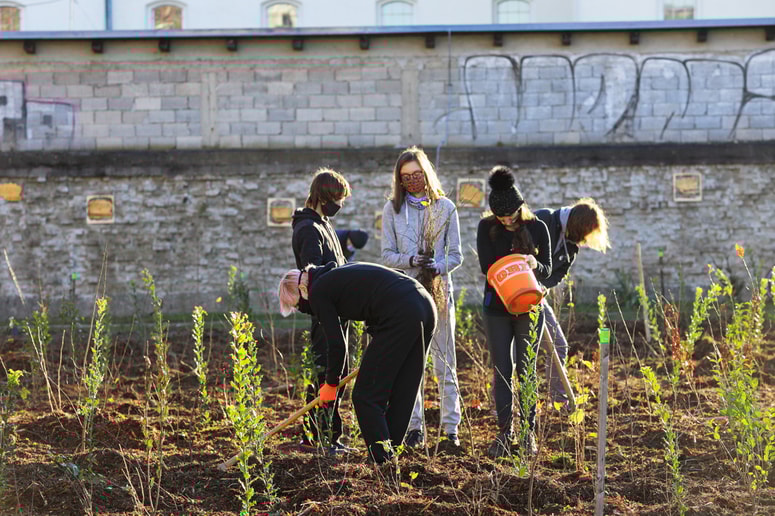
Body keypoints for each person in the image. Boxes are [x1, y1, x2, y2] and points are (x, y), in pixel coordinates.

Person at [277, 262, 437, 464]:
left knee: (365, 396)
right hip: (424, 304)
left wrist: (330, 384)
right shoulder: (339, 273)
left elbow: (337, 345)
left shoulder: (318, 292)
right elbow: (395, 276)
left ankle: (381, 460)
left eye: (298, 306)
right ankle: (389, 461)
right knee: (403, 390)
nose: (303, 310)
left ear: (301, 291)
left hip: (401, 314)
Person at [381, 146, 463, 450]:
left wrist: (437, 266)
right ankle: (414, 428)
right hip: (408, 294)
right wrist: (411, 260)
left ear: (426, 173)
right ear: (399, 181)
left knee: (445, 362)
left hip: (439, 292)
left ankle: (450, 429)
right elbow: (387, 256)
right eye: (406, 177)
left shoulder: (446, 208)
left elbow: (456, 255)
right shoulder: (392, 210)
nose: (413, 180)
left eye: (417, 174)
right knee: (411, 364)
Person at [476, 165, 552, 458]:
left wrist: (534, 264)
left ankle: (528, 433)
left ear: (521, 206)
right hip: (497, 307)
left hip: (530, 307)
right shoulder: (486, 228)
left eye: (512, 214)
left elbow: (548, 269)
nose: (507, 220)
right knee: (502, 370)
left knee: (527, 369)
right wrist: (512, 263)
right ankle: (505, 433)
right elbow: (487, 267)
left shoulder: (538, 227)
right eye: (501, 216)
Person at [291, 167, 351, 453]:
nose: (340, 204)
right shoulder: (308, 229)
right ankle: (319, 437)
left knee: (337, 371)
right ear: (323, 196)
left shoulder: (323, 224)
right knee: (326, 373)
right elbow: (315, 274)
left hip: (339, 311)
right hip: (326, 314)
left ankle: (325, 436)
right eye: (337, 198)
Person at [535, 198, 610, 404]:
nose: (584, 240)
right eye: (584, 234)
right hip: (514, 295)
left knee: (558, 345)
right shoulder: (543, 220)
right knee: (517, 352)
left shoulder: (571, 247)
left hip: (536, 297)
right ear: (577, 226)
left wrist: (543, 286)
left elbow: (558, 274)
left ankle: (558, 402)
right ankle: (504, 407)